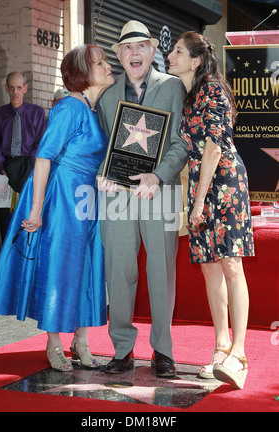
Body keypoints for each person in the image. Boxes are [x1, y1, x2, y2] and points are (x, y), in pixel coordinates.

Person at [0, 45, 114, 372]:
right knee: (60, 267)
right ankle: (54, 343)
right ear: (82, 73)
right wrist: (37, 209)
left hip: (88, 200)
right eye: (100, 62)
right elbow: (43, 157)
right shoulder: (69, 107)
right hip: (65, 197)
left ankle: (81, 341)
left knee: (86, 267)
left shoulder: (96, 109)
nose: (109, 66)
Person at [97, 20, 188, 378]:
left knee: (161, 270)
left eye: (141, 47)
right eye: (127, 48)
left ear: (153, 50)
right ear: (119, 55)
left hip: (160, 192)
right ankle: (122, 349)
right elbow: (101, 147)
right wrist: (101, 172)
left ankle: (163, 351)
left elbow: (182, 142)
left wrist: (158, 175)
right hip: (117, 196)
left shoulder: (173, 87)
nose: (134, 54)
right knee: (119, 271)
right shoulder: (106, 95)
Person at [168, 31, 254, 389]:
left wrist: (200, 199)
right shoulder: (187, 97)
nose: (169, 56)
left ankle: (239, 353)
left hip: (225, 184)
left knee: (231, 263)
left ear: (196, 59)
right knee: (208, 267)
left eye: (176, 51)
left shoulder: (214, 90)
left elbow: (215, 149)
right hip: (201, 187)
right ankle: (220, 345)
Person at [0, 72, 46, 240]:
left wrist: (29, 170)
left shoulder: (36, 113)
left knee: (27, 215)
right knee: (5, 218)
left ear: (25, 89)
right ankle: (5, 257)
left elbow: (40, 142)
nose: (15, 92)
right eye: (12, 88)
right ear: (6, 88)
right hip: (4, 170)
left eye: (19, 88)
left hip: (28, 169)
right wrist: (1, 168)